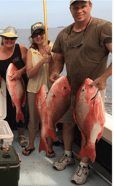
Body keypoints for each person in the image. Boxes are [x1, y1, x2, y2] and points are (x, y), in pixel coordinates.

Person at [50, 0, 112, 184]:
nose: (80, 10)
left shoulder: (103, 27)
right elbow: (59, 59)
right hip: (69, 89)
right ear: (70, 9)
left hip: (92, 91)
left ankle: (84, 165)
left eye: (83, 6)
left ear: (90, 6)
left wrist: (104, 77)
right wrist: (55, 72)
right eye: (75, 7)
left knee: (88, 130)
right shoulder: (63, 34)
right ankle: (68, 155)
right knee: (67, 124)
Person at [0, 26, 29, 148]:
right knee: (7, 111)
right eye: (6, 38)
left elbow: (30, 65)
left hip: (20, 86)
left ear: (16, 38)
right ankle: (7, 135)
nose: (9, 41)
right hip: (4, 88)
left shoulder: (21, 49)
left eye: (12, 38)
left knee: (21, 108)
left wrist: (20, 72)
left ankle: (21, 135)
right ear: (2, 38)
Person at [22, 22, 55, 157]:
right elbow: (29, 74)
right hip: (34, 90)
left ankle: (50, 146)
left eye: (41, 33)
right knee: (33, 119)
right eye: (35, 34)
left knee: (49, 119)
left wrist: (51, 57)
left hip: (50, 89)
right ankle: (31, 144)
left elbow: (56, 70)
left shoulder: (53, 47)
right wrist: (41, 61)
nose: (39, 36)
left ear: (45, 33)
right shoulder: (31, 51)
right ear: (32, 37)